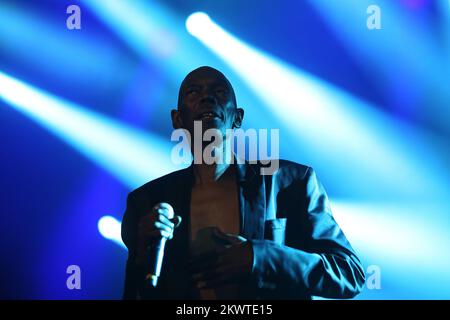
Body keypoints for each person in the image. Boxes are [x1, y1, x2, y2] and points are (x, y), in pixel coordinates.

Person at [121, 66, 365, 299]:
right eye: (193, 92)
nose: (207, 98)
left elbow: (350, 272)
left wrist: (262, 257)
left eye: (219, 92)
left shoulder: (291, 183)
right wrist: (142, 252)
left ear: (238, 118)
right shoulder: (148, 201)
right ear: (177, 119)